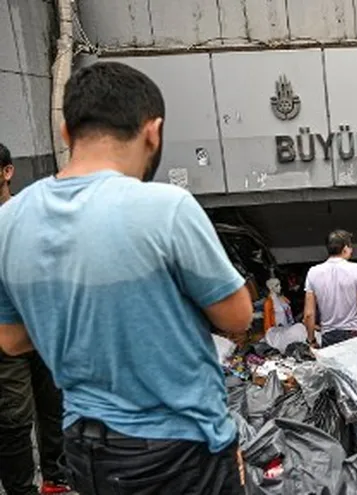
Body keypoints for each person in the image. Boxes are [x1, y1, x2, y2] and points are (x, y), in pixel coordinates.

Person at [0, 62, 254, 494]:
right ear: (152, 131)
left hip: (85, 448)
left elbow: (11, 340)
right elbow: (237, 316)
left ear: (67, 133)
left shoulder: (8, 222)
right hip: (181, 448)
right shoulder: (165, 207)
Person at [0, 145, 71, 495]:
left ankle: (56, 477)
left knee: (53, 405)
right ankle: (20, 489)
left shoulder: (28, 214)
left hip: (43, 326)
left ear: (7, 172)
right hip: (3, 336)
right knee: (14, 417)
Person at [304, 230, 357, 347]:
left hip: (329, 337)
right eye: (350, 247)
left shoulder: (313, 273)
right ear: (345, 249)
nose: (351, 251)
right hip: (355, 334)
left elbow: (309, 313)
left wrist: (311, 340)